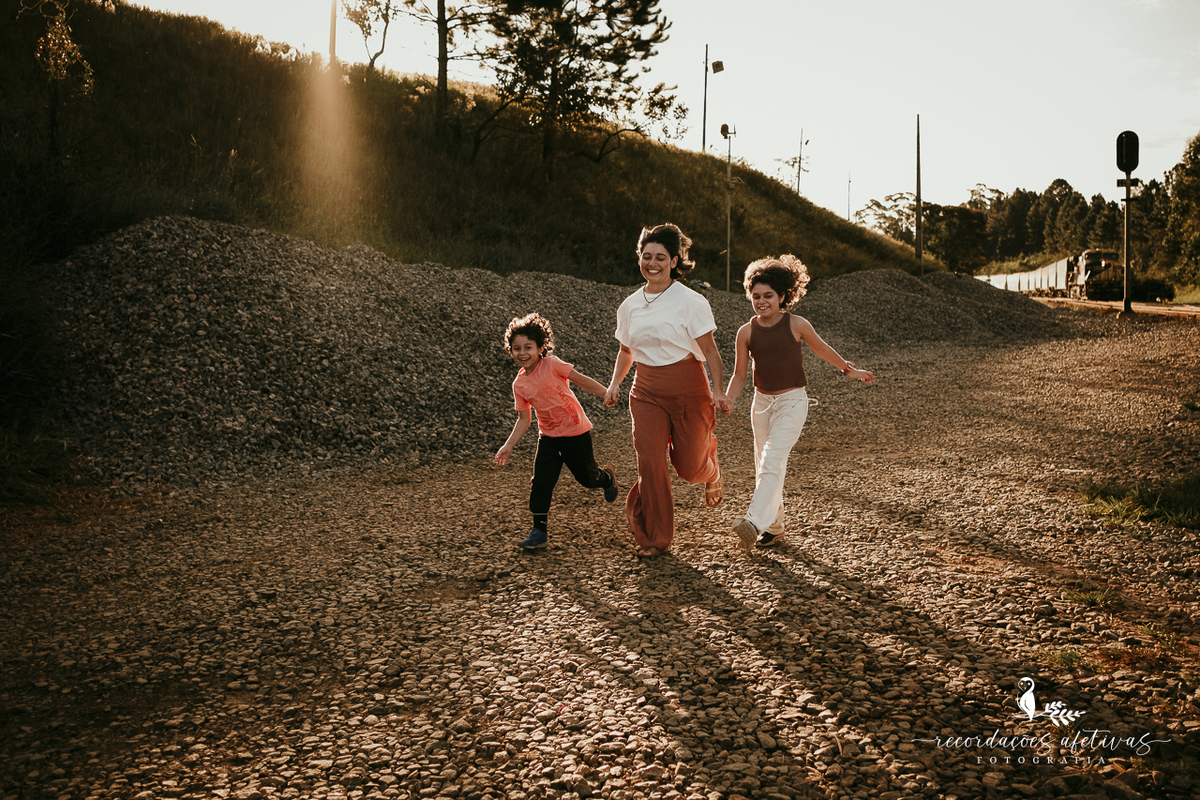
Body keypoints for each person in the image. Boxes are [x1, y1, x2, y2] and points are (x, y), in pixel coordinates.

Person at [724, 255, 874, 550]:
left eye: (768, 295)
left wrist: (849, 369)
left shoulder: (796, 324)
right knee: (764, 466)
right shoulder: (746, 332)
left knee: (772, 459)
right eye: (756, 296)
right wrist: (727, 399)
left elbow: (822, 349)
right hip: (761, 403)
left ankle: (753, 522)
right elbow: (740, 373)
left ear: (783, 296)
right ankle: (775, 527)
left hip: (793, 402)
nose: (762, 301)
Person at [604, 224, 731, 558]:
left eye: (661, 257)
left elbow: (711, 351)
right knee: (650, 461)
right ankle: (655, 538)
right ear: (640, 259)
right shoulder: (629, 305)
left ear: (675, 261)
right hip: (645, 390)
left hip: (688, 386)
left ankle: (711, 466)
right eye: (647, 256)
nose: (653, 263)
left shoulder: (691, 301)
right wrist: (615, 383)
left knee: (689, 468)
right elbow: (626, 351)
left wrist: (719, 391)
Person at [495, 312, 618, 551]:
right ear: (510, 351)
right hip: (549, 438)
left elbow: (580, 379)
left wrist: (606, 393)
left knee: (587, 479)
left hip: (576, 433)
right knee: (541, 482)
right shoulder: (519, 384)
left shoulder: (551, 364)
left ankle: (606, 478)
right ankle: (539, 531)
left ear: (541, 348)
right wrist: (508, 445)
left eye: (528, 347)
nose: (522, 353)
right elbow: (524, 419)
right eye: (516, 348)